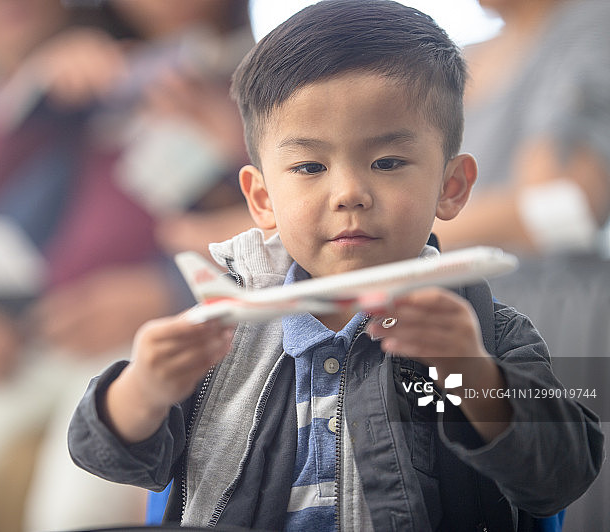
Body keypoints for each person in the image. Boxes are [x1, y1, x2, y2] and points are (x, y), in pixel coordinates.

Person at [67, 1, 604, 530]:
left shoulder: (485, 332)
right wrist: (142, 389)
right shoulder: (224, 331)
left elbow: (563, 475)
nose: (348, 192)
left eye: (388, 162)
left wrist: (467, 372)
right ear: (262, 199)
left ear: (451, 186)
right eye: (309, 166)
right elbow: (105, 456)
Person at [0, 1, 255, 531]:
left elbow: (255, 230)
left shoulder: (248, 86)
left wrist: (230, 150)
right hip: (41, 337)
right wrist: (32, 92)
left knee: (80, 499)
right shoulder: (87, 75)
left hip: (140, 340)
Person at [431, 1, 610, 529]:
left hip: (561, 329)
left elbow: (564, 206)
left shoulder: (590, 27)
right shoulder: (463, 57)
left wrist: (389, 242)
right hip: (471, 332)